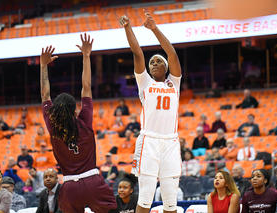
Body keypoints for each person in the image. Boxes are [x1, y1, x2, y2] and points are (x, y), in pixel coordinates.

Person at [40, 33, 116, 212]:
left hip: (69, 187)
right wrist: (86, 56)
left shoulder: (53, 127)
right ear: (75, 109)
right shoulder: (84, 120)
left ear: (55, 112)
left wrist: (43, 66)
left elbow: (45, 95)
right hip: (93, 182)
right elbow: (86, 87)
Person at [121, 10, 182, 213]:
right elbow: (138, 53)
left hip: (171, 141)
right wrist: (128, 27)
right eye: (152, 62)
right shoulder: (145, 82)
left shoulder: (174, 83)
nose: (154, 64)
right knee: (146, 196)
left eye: (158, 62)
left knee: (170, 200)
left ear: (165, 68)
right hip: (149, 141)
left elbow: (172, 53)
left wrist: (154, 28)